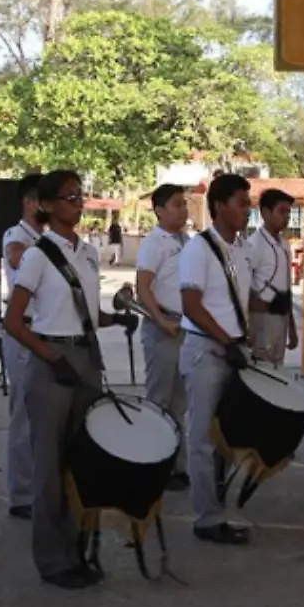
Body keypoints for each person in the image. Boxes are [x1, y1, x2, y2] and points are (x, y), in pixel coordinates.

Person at [4, 170, 133, 589]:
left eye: (80, 195)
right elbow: (14, 321)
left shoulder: (90, 252)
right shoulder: (37, 255)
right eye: (68, 197)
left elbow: (88, 313)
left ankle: (78, 549)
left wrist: (117, 319)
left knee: (82, 461)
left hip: (86, 356)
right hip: (53, 358)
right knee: (49, 466)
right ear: (46, 205)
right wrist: (50, 356)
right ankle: (52, 560)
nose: (77, 203)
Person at [177, 174, 257, 546]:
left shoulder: (239, 248)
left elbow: (233, 303)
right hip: (207, 350)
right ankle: (207, 518)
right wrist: (226, 341)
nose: (248, 209)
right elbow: (191, 305)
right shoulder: (198, 249)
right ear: (220, 206)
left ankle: (219, 507)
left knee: (227, 436)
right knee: (203, 438)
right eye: (242, 202)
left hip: (232, 349)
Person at [135, 184, 190, 490]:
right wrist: (160, 320)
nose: (183, 209)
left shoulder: (186, 241)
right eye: (177, 204)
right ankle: (153, 464)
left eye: (184, 204)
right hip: (163, 327)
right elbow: (143, 287)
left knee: (179, 403)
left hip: (184, 327)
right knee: (159, 400)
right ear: (159, 209)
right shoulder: (154, 243)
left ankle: (176, 466)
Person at [0, 174, 47, 518]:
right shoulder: (18, 235)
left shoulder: (46, 238)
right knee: (25, 415)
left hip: (47, 331)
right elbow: (16, 257)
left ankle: (40, 487)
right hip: (24, 330)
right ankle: (22, 495)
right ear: (29, 203)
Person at [245, 188, 297, 366]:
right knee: (262, 366)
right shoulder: (254, 245)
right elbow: (245, 288)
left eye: (288, 212)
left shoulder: (284, 244)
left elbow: (286, 288)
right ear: (265, 213)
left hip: (281, 315)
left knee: (277, 364)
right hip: (262, 316)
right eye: (282, 211)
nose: (287, 217)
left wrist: (292, 326)